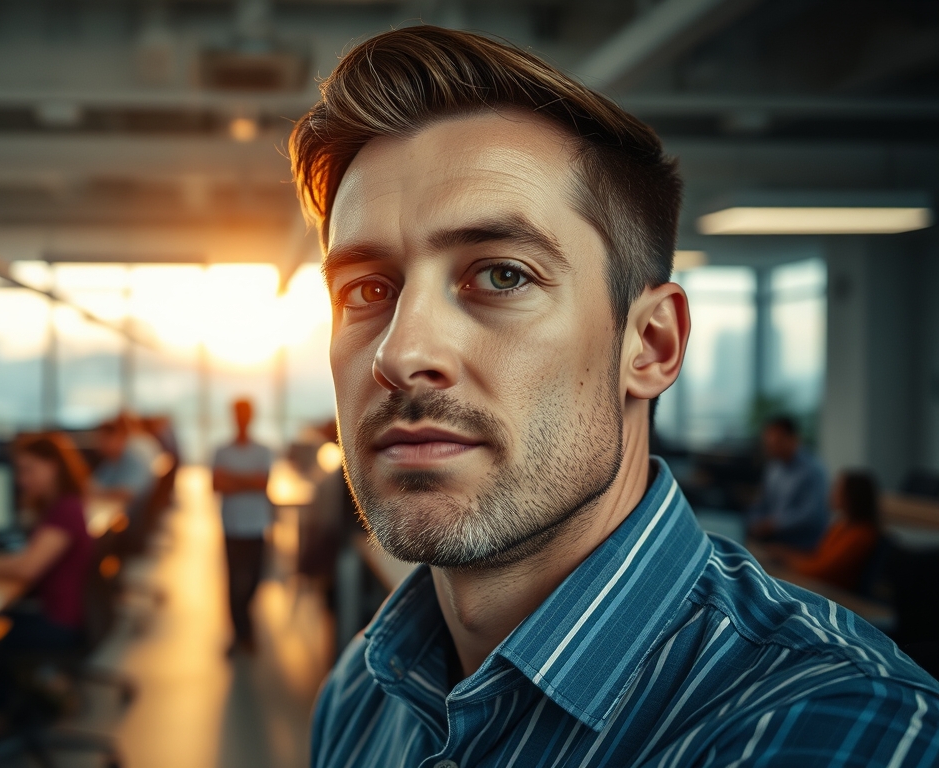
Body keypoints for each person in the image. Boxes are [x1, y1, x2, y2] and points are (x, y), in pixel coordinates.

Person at [290, 27, 938, 767]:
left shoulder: (832, 729)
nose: (401, 354)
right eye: (368, 289)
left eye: (502, 275)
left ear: (652, 344)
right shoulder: (362, 694)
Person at [0, 432, 94, 650]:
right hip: (53, 609)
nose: (22, 480)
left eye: (29, 469)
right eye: (19, 472)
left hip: (58, 621)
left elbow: (27, 568)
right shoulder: (57, 505)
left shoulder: (66, 510)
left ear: (53, 466)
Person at [211, 398, 275, 653]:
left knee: (255, 578)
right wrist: (248, 480)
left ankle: (244, 622)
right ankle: (241, 633)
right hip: (232, 524)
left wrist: (232, 479)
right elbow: (217, 485)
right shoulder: (221, 450)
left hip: (257, 524)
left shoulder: (263, 450)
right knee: (233, 580)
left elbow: (263, 484)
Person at [765, 470, 882, 592]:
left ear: (852, 496)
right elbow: (817, 559)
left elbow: (820, 571)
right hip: (822, 585)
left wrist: (786, 558)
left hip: (835, 594)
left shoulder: (861, 535)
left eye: (838, 489)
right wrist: (784, 554)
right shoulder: (840, 526)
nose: (832, 493)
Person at [747, 415, 830, 551]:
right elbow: (762, 504)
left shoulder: (813, 470)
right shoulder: (773, 468)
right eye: (768, 443)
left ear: (793, 439)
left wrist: (774, 525)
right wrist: (755, 521)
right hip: (773, 541)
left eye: (776, 442)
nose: (771, 447)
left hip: (802, 547)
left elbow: (812, 514)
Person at [91, 416, 155, 508]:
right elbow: (94, 484)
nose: (99, 445)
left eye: (102, 440)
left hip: (131, 513)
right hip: (128, 509)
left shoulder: (133, 454)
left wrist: (97, 493)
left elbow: (127, 494)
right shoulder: (140, 443)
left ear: (119, 435)